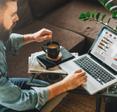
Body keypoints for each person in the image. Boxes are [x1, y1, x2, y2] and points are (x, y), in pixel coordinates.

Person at [0, 0, 87, 112]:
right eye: (12, 14)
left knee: (43, 86)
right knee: (36, 105)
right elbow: (22, 100)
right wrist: (66, 85)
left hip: (3, 86)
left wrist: (32, 37)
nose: (17, 18)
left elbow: (5, 41)